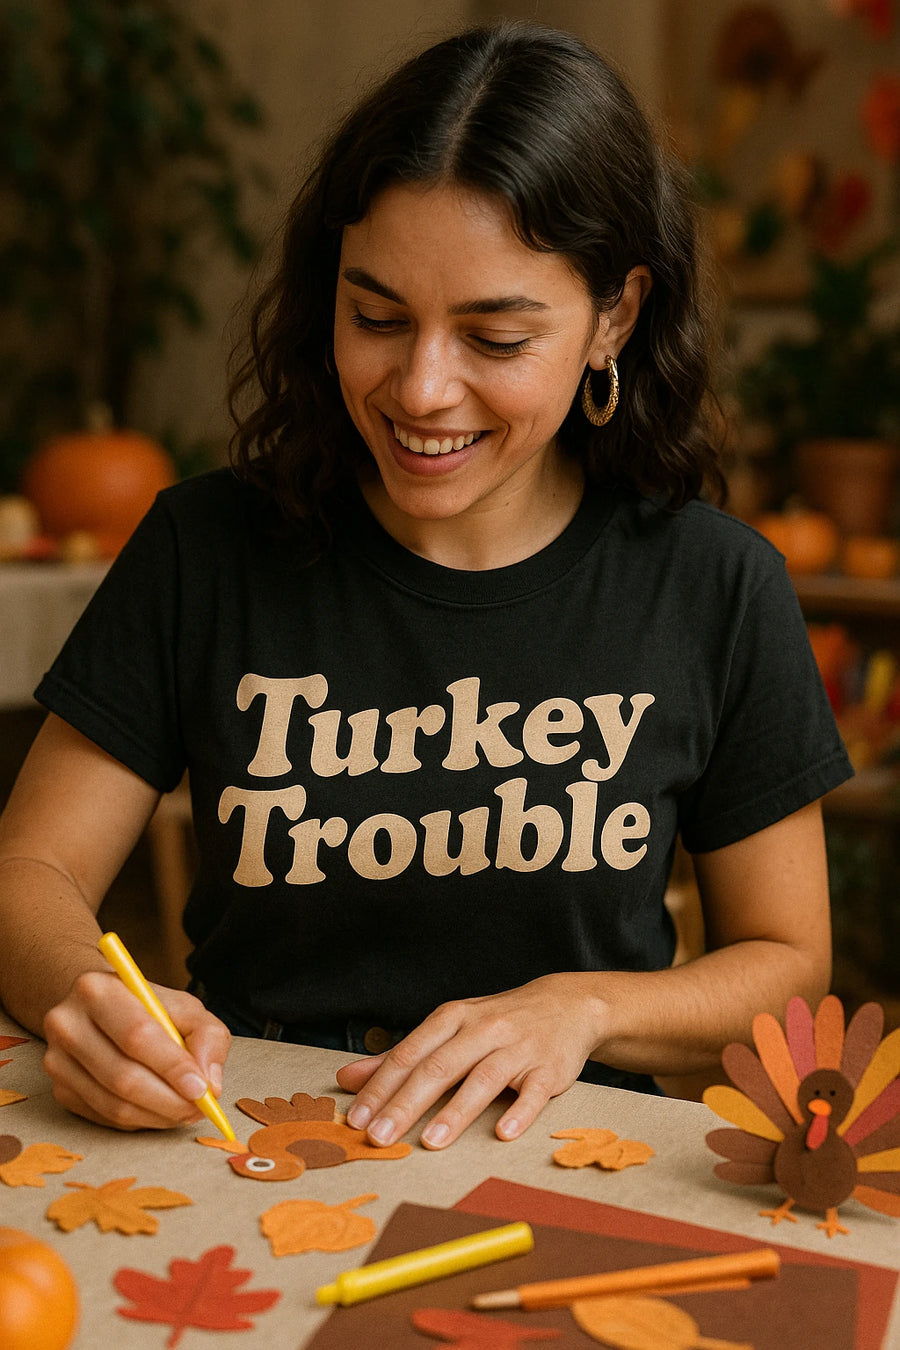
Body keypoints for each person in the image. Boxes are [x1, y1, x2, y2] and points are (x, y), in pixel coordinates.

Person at [0, 22, 851, 1151]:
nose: (422, 387)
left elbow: (788, 972)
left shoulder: (716, 586)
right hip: (248, 1145)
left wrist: (584, 1005)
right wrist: (83, 999)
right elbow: (30, 868)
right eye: (378, 317)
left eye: (496, 336)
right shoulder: (204, 550)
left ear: (616, 315)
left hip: (557, 1157)